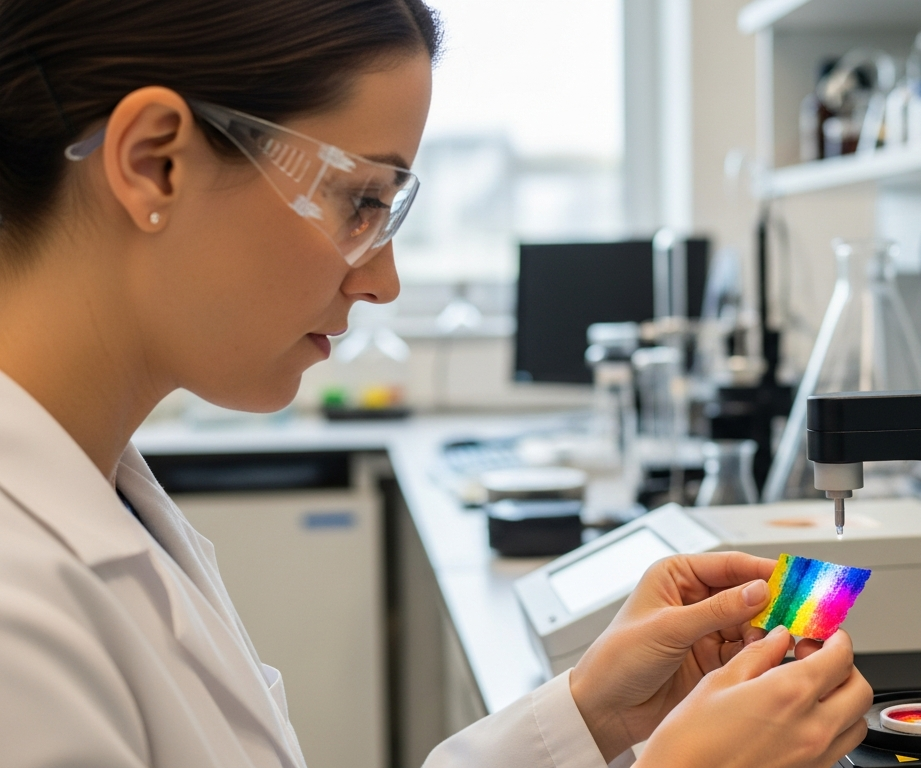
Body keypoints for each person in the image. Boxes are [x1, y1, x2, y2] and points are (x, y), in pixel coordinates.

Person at [0, 1, 873, 767]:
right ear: (158, 163)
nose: (384, 282)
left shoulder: (107, 497)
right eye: (360, 202)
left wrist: (590, 714)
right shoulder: (19, 612)